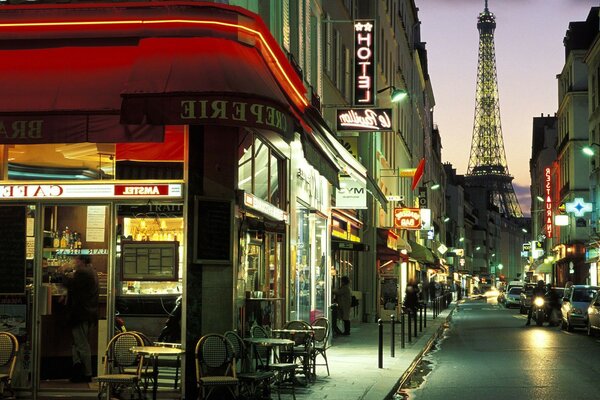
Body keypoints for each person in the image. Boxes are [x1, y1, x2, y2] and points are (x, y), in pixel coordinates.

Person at [59, 255, 99, 383]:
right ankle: (78, 371)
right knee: (78, 343)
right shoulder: (92, 272)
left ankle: (87, 373)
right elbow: (78, 289)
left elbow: (71, 284)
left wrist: (62, 272)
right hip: (88, 312)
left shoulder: (83, 272)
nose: (74, 262)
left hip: (81, 312)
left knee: (81, 344)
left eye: (76, 260)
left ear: (82, 261)